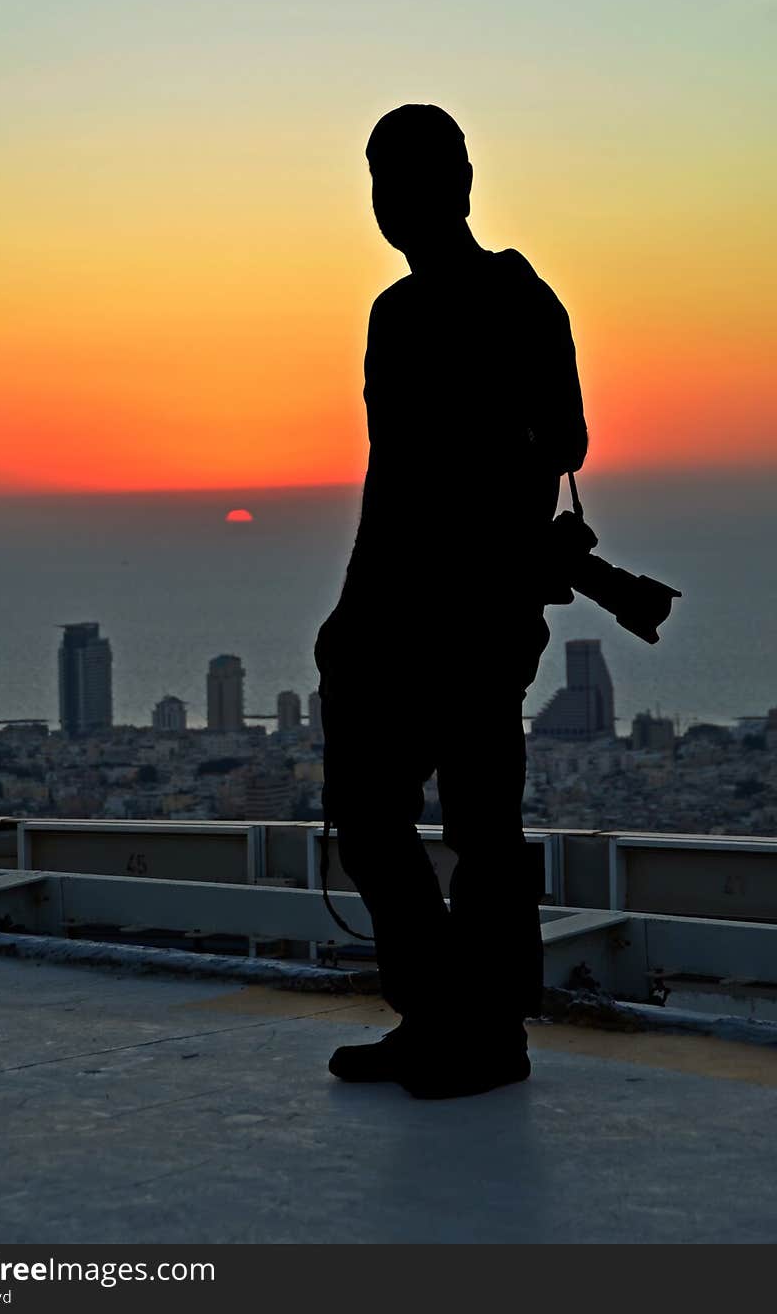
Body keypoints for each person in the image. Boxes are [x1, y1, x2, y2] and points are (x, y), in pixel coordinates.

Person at [314, 104, 588, 1099]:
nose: (395, 203)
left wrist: (491, 474)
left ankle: (489, 1032)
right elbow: (389, 478)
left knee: (481, 825)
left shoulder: (521, 300)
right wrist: (351, 612)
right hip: (389, 611)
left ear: (462, 184)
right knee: (369, 820)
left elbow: (562, 442)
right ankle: (435, 1012)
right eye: (381, 183)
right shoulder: (394, 314)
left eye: (413, 179)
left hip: (477, 612)